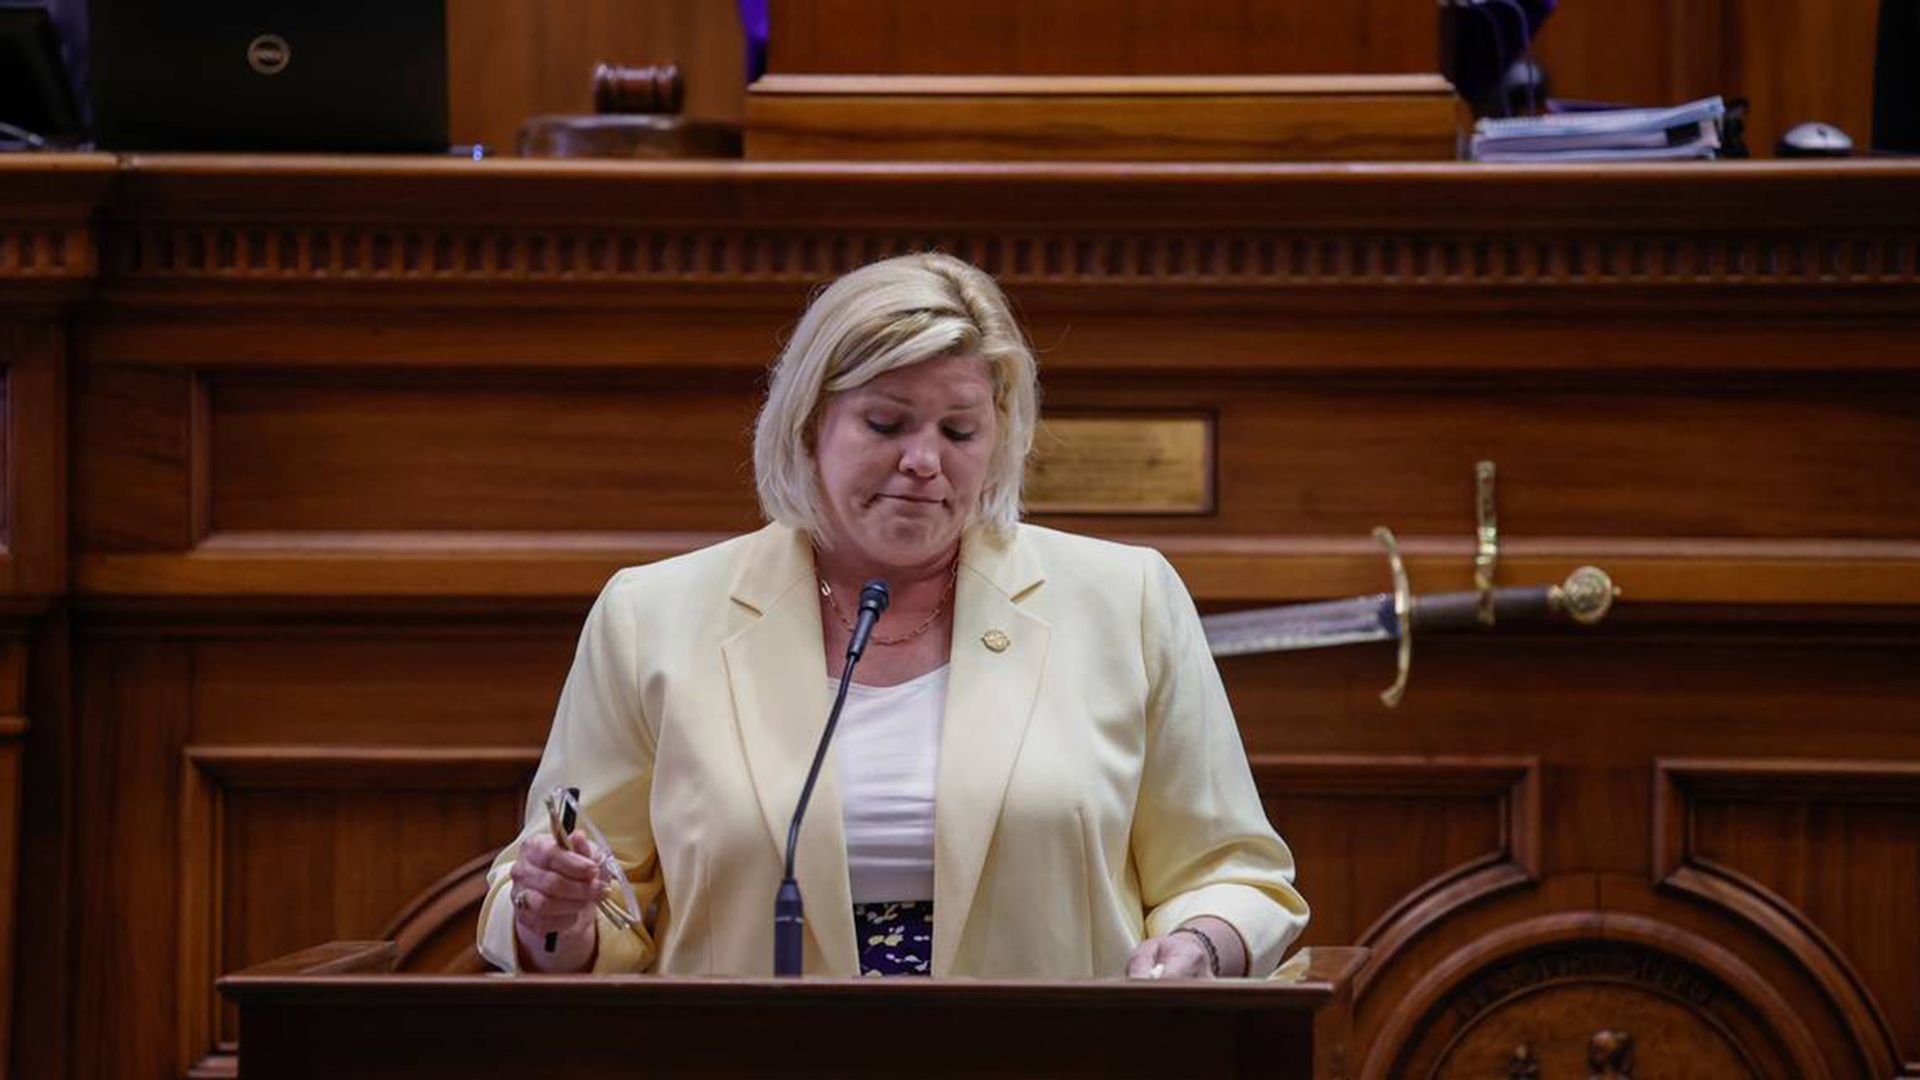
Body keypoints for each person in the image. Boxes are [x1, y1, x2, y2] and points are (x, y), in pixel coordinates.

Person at [477, 252, 1307, 978]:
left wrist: (1205, 942)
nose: (923, 462)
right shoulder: (651, 617)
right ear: (809, 425)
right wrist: (557, 918)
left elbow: (1235, 873)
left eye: (960, 430)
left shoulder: (1124, 599)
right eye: (886, 422)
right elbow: (578, 903)